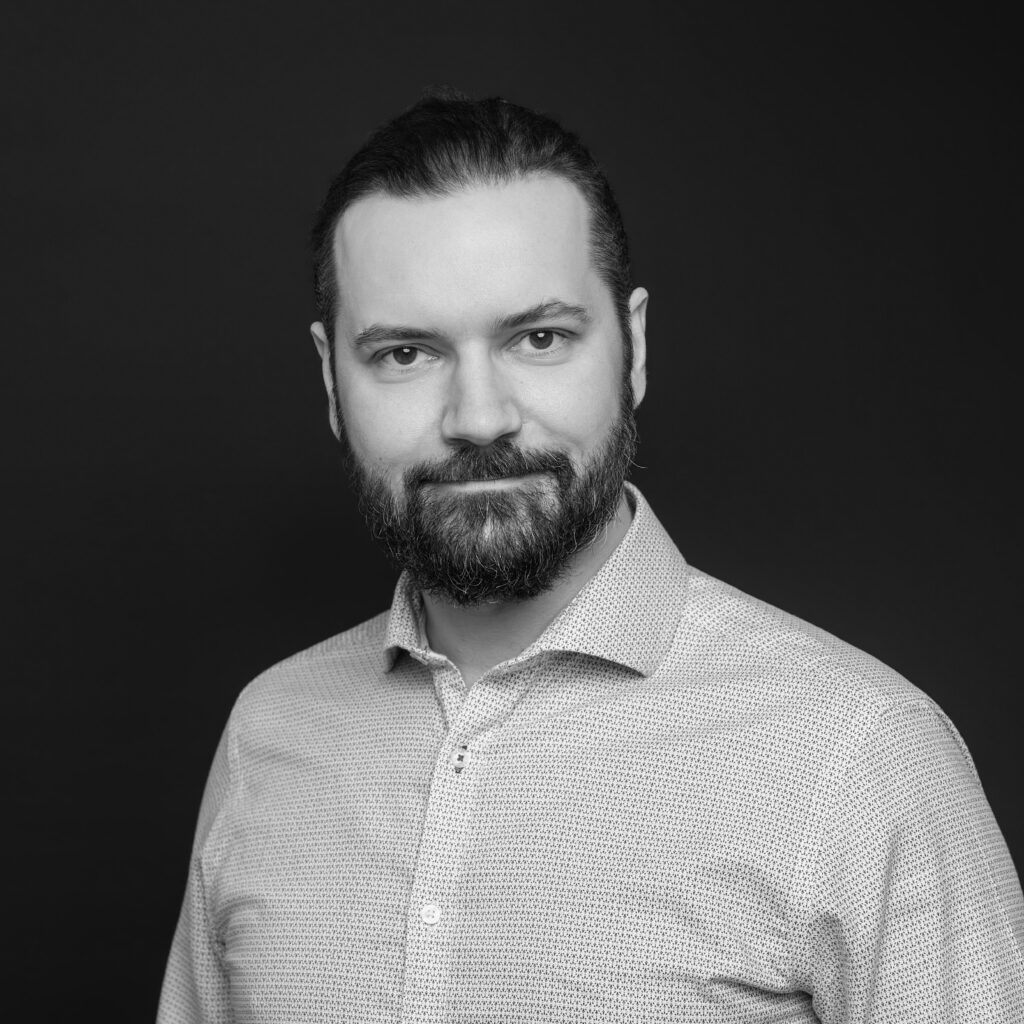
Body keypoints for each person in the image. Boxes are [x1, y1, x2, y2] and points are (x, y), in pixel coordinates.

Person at [157, 91, 1024, 1023]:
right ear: (331, 379)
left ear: (634, 348)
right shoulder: (268, 733)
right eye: (407, 354)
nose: (479, 417)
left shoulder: (859, 756)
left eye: (539, 339)